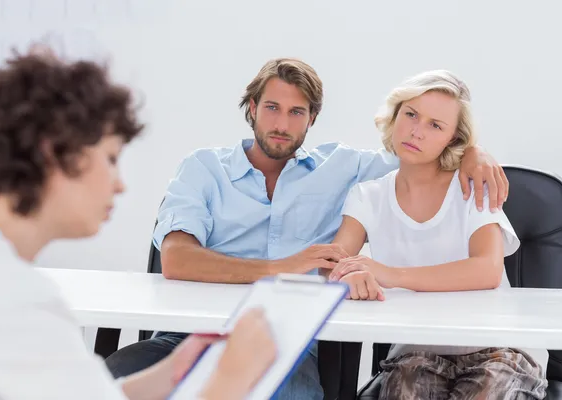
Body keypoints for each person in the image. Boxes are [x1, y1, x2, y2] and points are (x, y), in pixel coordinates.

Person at [104, 58, 510, 399]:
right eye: (271, 108)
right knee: (110, 380)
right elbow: (176, 259)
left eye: (297, 112)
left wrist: (475, 152)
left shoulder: (347, 170)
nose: (282, 123)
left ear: (312, 118)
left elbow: (424, 155)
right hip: (189, 335)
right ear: (251, 108)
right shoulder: (203, 168)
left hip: (285, 346)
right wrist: (282, 267)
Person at [0, 47, 278, 400]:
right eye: (111, 158)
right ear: (53, 154)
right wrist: (232, 378)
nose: (120, 183)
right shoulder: (14, 303)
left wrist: (172, 372)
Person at [328, 70, 548, 399]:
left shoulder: (472, 185)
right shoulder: (367, 196)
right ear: (395, 115)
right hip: (414, 353)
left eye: (435, 125)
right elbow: (334, 263)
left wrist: (389, 274)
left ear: (453, 139)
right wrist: (345, 277)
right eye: (411, 114)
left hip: (497, 348)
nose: (417, 131)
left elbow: (486, 270)